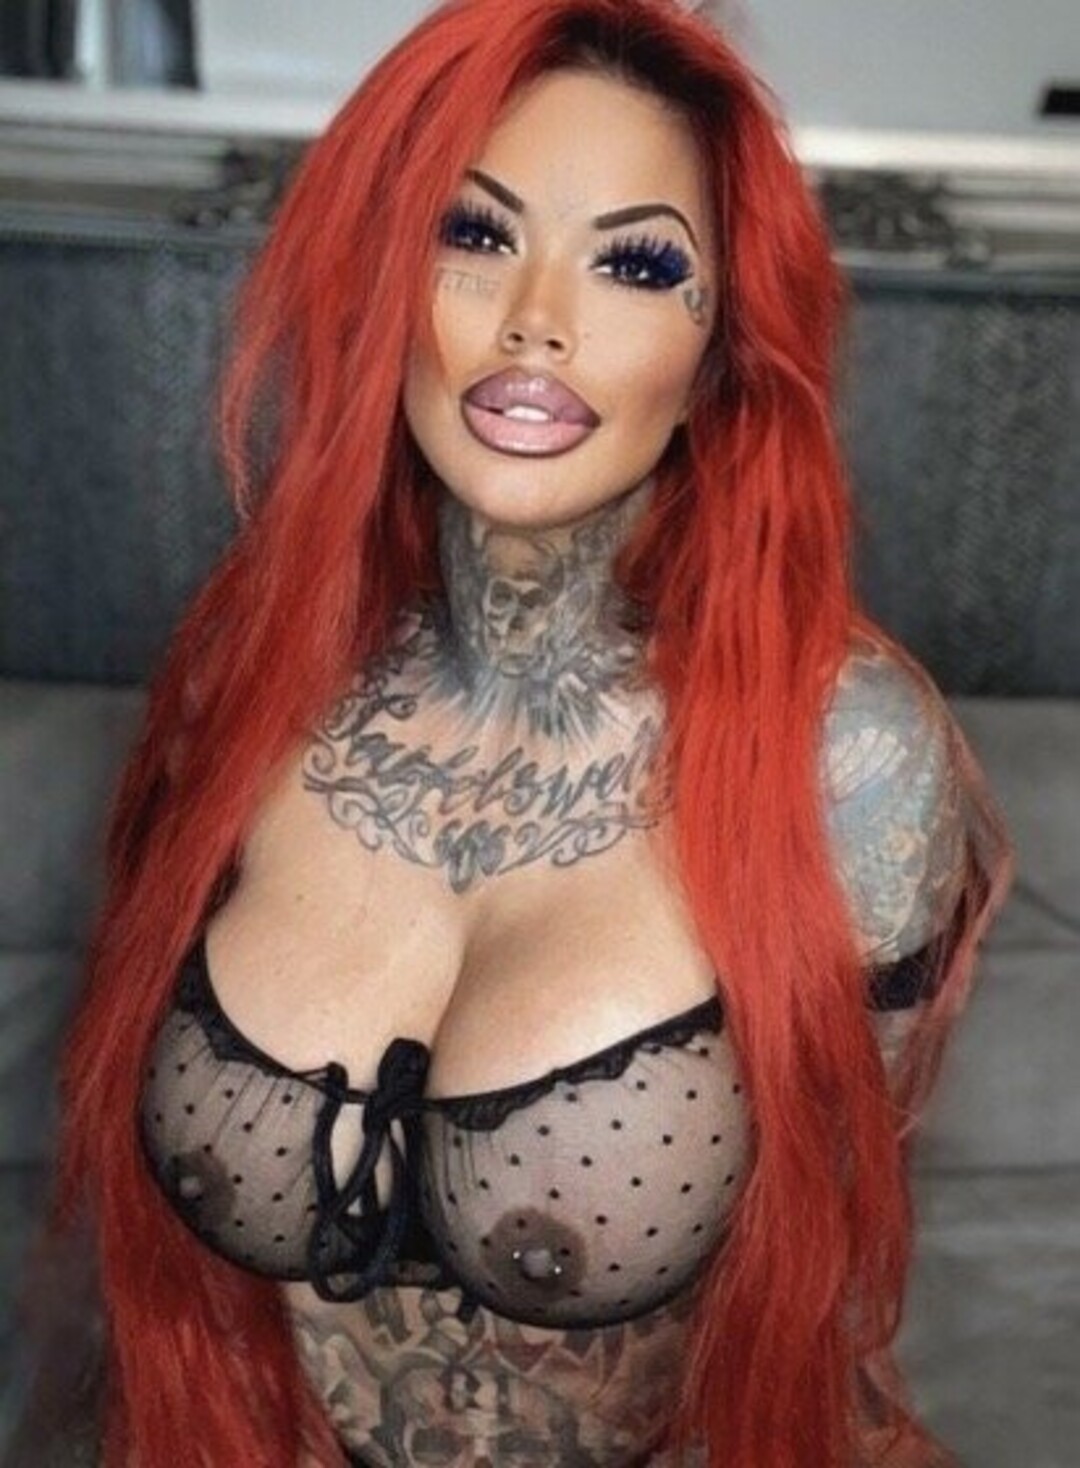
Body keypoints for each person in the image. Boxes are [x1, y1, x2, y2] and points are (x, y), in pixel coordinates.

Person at [10, 0, 1012, 1464]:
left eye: (637, 263)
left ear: (722, 350)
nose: (538, 317)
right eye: (474, 235)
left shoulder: (844, 759)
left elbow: (815, 1302)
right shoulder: (251, 679)